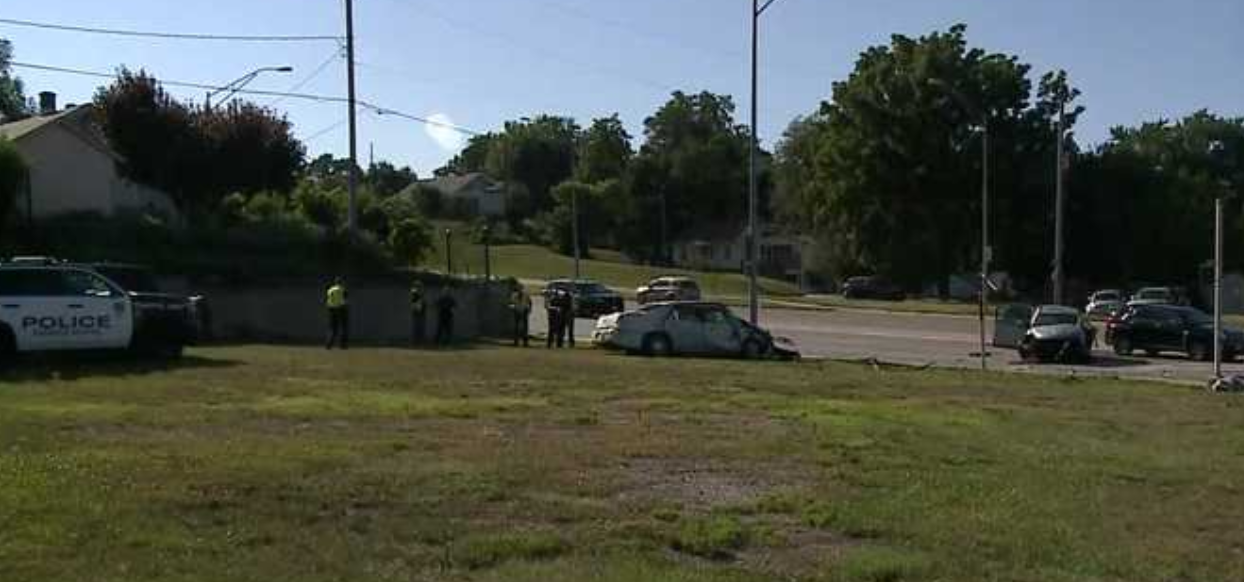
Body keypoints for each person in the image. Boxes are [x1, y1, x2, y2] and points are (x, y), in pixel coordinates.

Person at [325, 277, 349, 350]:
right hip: (341, 309)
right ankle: (342, 345)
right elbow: (346, 298)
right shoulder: (342, 289)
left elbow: (328, 299)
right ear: (341, 282)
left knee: (332, 328)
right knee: (343, 327)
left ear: (335, 282)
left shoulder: (330, 290)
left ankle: (329, 344)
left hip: (331, 309)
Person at [410, 280, 426, 346]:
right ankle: (416, 342)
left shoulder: (420, 293)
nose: (421, 287)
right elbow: (414, 303)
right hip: (417, 312)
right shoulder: (414, 292)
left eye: (421, 286)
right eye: (419, 286)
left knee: (420, 328)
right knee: (417, 327)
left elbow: (422, 302)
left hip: (421, 312)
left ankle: (419, 341)